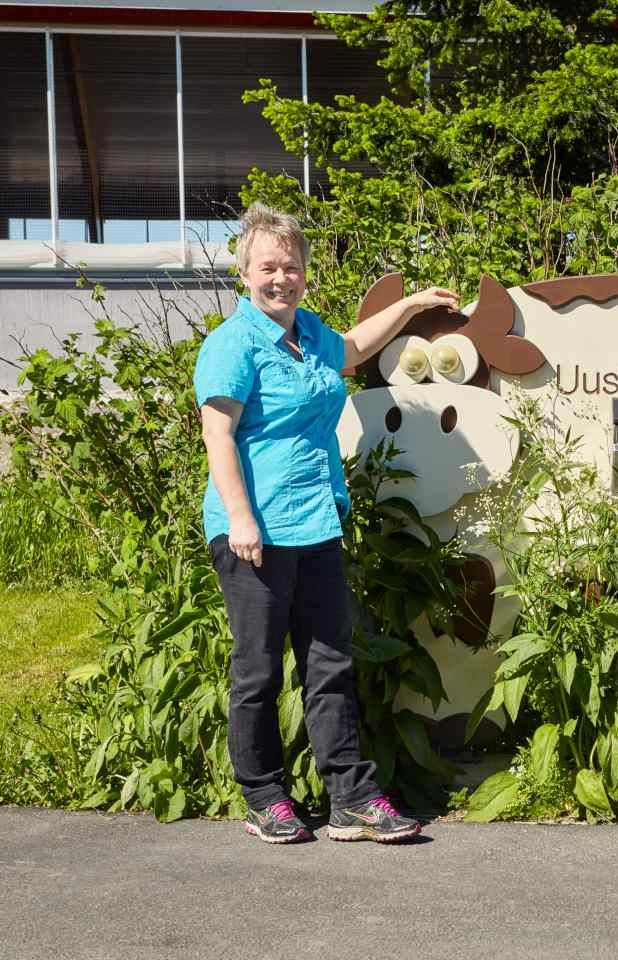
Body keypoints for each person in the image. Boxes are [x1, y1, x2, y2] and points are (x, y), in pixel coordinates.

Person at [194, 202, 457, 844]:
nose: (279, 277)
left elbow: (355, 347)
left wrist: (413, 305)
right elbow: (219, 435)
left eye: (289, 266)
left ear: (305, 271)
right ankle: (264, 798)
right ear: (245, 273)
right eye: (266, 267)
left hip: (316, 523)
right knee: (258, 670)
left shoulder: (309, 332)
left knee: (329, 665)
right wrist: (239, 518)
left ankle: (352, 799)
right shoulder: (232, 344)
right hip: (254, 531)